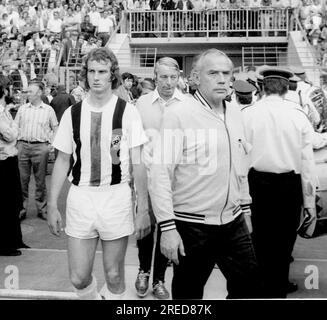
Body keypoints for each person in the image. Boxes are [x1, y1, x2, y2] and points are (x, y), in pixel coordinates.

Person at [149, 49, 262, 299]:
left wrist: (246, 208)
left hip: (233, 222)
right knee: (188, 293)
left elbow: (240, 164)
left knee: (249, 286)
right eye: (213, 73)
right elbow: (159, 174)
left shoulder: (235, 113)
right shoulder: (178, 115)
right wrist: (167, 228)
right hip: (191, 226)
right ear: (195, 78)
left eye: (226, 73)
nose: (222, 79)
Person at [47, 47, 151, 300]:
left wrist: (143, 209)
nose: (96, 77)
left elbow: (138, 162)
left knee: (114, 275)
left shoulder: (127, 112)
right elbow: (62, 159)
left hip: (115, 197)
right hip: (81, 197)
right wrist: (51, 205)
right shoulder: (73, 113)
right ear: (85, 74)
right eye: (91, 71)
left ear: (111, 75)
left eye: (102, 72)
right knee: (78, 278)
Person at [242, 67, 317, 298]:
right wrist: (310, 204)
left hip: (256, 185)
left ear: (262, 87)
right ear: (287, 88)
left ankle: (260, 288)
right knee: (283, 246)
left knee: (258, 243)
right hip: (289, 187)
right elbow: (307, 164)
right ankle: (277, 289)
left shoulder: (247, 114)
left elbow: (241, 160)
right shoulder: (297, 115)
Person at [135, 57, 186, 300]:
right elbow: (132, 144)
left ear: (179, 77)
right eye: (163, 77)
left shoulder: (187, 105)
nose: (168, 82)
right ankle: (143, 271)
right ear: (155, 76)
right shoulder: (142, 104)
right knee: (145, 228)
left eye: (172, 77)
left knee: (168, 229)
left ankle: (159, 280)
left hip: (174, 182)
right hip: (145, 178)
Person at [15, 81, 58, 221]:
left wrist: (51, 144)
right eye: (27, 92)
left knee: (40, 181)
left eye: (30, 92)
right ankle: (21, 209)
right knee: (22, 180)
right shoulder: (22, 109)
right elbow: (15, 126)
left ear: (39, 93)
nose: (27, 94)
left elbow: (55, 128)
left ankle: (42, 209)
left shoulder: (48, 110)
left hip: (41, 147)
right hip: (23, 146)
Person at [0, 82, 29, 256]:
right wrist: (16, 127)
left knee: (13, 200)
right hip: (3, 161)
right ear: (4, 90)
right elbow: (10, 135)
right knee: (5, 202)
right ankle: (4, 244)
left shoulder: (4, 110)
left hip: (9, 158)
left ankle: (14, 240)